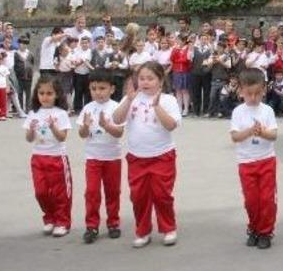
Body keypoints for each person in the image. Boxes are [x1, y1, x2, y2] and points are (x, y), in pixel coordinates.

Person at [111, 61, 182, 248]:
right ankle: (142, 231)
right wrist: (127, 100)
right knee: (138, 196)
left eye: (150, 78)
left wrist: (157, 107)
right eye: (141, 78)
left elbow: (171, 125)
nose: (145, 82)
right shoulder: (132, 97)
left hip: (162, 156)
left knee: (162, 195)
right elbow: (116, 120)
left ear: (160, 80)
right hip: (136, 157)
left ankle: (168, 228)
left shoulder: (168, 100)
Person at [230, 68, 279, 250]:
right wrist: (249, 131)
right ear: (241, 91)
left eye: (257, 93)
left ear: (264, 90)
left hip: (266, 160)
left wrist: (262, 132)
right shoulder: (238, 112)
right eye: (248, 93)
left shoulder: (267, 110)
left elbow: (273, 135)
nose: (253, 97)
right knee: (251, 200)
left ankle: (266, 232)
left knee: (266, 199)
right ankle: (254, 228)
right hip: (246, 162)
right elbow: (235, 137)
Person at [77, 69, 124, 244]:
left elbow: (119, 132)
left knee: (113, 192)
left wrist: (106, 125)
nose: (98, 92)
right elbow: (82, 134)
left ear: (112, 89)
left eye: (102, 88)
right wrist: (86, 127)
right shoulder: (87, 108)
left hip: (112, 158)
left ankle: (113, 223)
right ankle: (92, 226)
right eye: (94, 88)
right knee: (92, 192)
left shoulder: (116, 107)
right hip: (93, 158)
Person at [23, 76, 73, 237]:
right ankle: (49, 218)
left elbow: (62, 137)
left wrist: (53, 127)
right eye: (41, 93)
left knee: (60, 192)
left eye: (49, 93)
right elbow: (29, 138)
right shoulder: (33, 113)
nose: (45, 96)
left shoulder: (61, 114)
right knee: (41, 192)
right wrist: (31, 129)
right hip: (38, 158)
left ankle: (62, 221)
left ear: (57, 94)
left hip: (57, 157)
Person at [72, 36, 94, 113]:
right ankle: (77, 109)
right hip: (77, 74)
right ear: (80, 43)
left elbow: (86, 61)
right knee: (78, 92)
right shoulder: (76, 51)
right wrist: (80, 61)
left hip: (87, 74)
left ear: (89, 44)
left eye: (86, 43)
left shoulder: (90, 51)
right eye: (83, 43)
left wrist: (81, 61)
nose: (84, 44)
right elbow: (74, 61)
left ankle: (87, 109)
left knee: (87, 92)